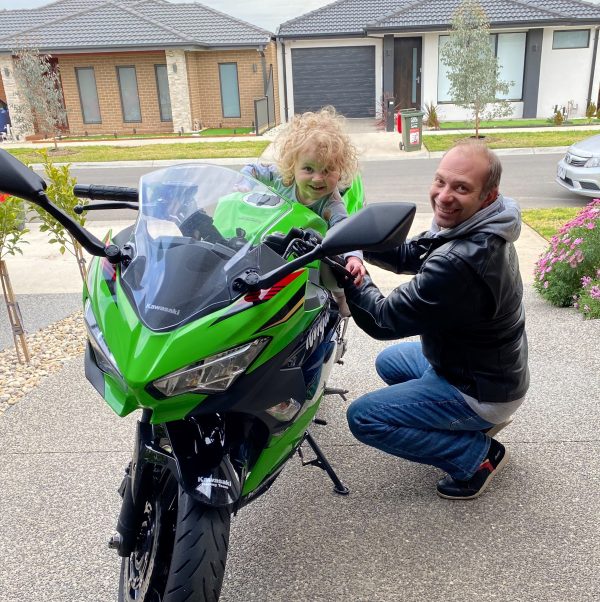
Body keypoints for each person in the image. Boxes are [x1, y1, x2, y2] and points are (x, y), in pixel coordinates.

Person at [344, 139, 529, 500]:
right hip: (482, 369)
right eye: (440, 181)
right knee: (390, 362)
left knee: (364, 417)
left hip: (481, 391)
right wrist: (351, 238)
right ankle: (460, 426)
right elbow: (412, 253)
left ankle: (475, 456)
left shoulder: (462, 261)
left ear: (488, 196)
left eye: (461, 188)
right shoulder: (482, 224)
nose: (444, 196)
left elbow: (384, 320)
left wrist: (352, 273)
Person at [240, 107, 366, 314]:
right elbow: (251, 169)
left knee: (332, 269)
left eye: (327, 170)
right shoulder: (282, 179)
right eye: (308, 169)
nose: (318, 178)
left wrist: (354, 258)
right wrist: (245, 184)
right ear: (292, 165)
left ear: (340, 170)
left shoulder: (331, 203)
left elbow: (347, 233)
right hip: (277, 238)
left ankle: (341, 297)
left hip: (311, 250)